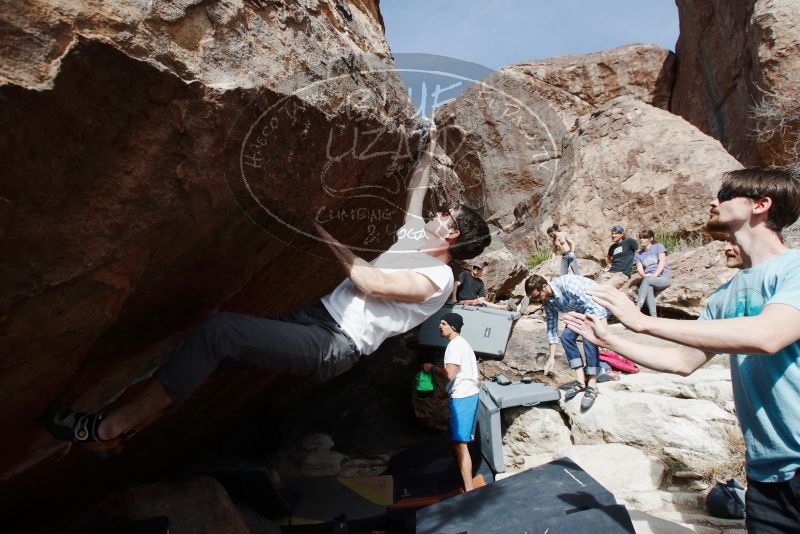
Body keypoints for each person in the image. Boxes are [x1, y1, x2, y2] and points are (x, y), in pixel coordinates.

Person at [46, 126, 492, 446]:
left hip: (334, 343)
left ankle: (103, 429)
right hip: (314, 317)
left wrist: (322, 231)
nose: (435, 214)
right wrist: (428, 152)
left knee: (218, 333)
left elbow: (369, 280)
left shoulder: (438, 278)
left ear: (450, 233)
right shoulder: (416, 239)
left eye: (444, 215)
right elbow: (416, 191)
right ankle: (133, 427)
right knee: (208, 356)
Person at [563, 168, 800, 533]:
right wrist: (612, 340)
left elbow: (769, 335)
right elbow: (681, 362)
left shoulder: (795, 269)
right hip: (765, 476)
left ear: (761, 205)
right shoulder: (724, 296)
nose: (712, 202)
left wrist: (642, 322)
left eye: (723, 194)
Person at [525, 274, 608, 410]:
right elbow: (552, 328)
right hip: (581, 310)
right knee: (566, 337)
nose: (536, 300)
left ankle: (592, 383)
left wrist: (603, 335)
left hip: (597, 304)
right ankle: (581, 381)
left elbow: (595, 306)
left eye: (536, 296)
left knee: (588, 336)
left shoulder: (567, 284)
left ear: (544, 287)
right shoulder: (547, 301)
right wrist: (551, 357)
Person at [423, 312, 480, 492]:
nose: (440, 326)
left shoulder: (455, 346)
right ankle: (463, 482)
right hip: (462, 395)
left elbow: (450, 374)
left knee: (460, 444)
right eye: (440, 323)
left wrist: (431, 368)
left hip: (464, 397)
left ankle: (469, 488)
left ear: (453, 327)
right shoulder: (459, 345)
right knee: (455, 442)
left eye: (444, 323)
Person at [632, 229, 671, 317]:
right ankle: (654, 317)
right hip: (649, 280)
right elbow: (640, 268)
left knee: (647, 281)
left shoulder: (658, 246)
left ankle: (637, 308)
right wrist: (645, 275)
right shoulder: (638, 254)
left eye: (645, 237)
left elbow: (662, 262)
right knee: (648, 286)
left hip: (663, 278)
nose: (641, 239)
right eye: (640, 238)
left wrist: (654, 275)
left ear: (651, 238)